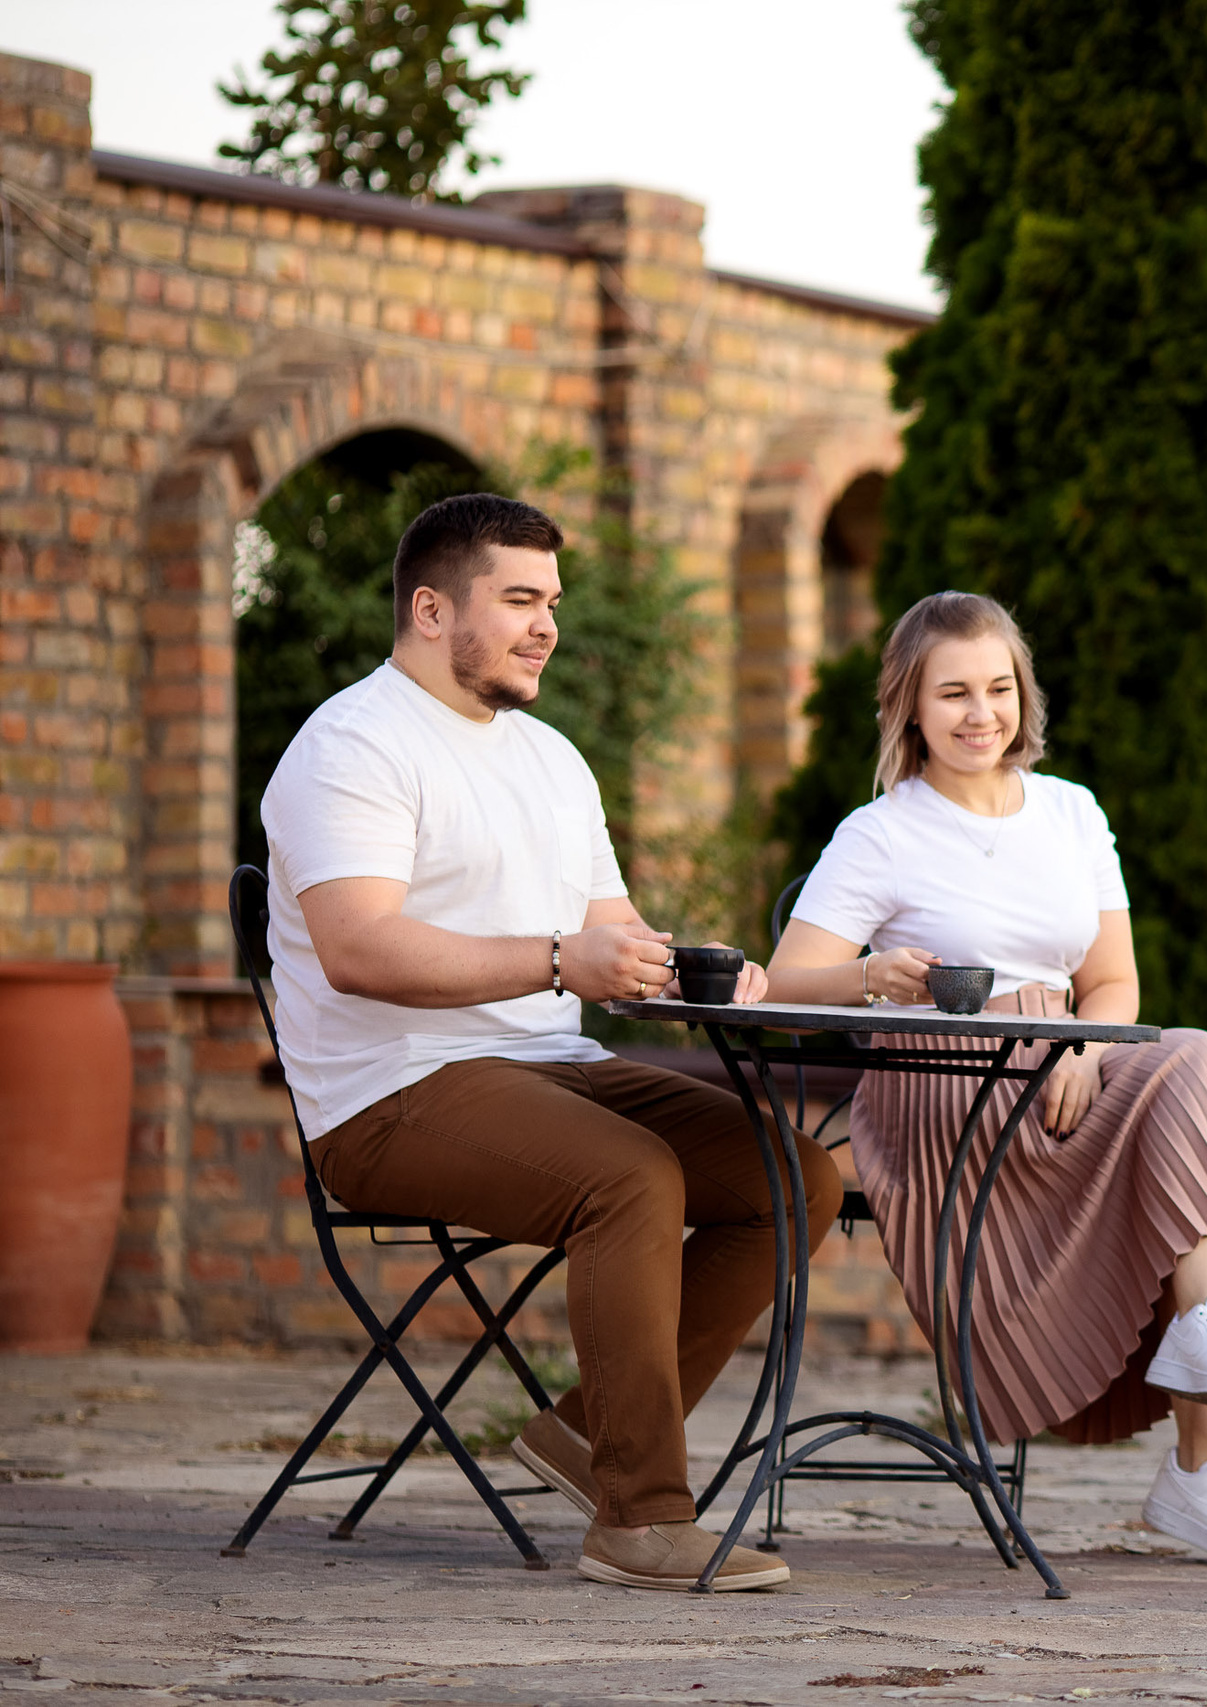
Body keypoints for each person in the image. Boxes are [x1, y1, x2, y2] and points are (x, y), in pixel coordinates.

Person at [260, 492, 839, 1593]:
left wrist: (683, 966)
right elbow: (360, 950)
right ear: (431, 610)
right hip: (389, 1091)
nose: (546, 626)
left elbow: (605, 929)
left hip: (549, 1069)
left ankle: (586, 1435)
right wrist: (557, 960)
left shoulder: (552, 759)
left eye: (551, 603)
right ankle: (639, 1518)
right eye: (519, 599)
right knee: (629, 1179)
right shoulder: (352, 744)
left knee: (794, 1173)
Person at [765, 591, 1207, 1571]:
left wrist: (1082, 1047)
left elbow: (1111, 981)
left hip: (1067, 1068)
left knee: (1192, 1058)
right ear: (909, 705)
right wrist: (867, 978)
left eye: (998, 688)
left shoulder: (1071, 811)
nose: (980, 714)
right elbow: (781, 984)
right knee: (1188, 1091)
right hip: (950, 1084)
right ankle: (1205, 1461)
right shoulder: (880, 833)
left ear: (1024, 695)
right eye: (953, 694)